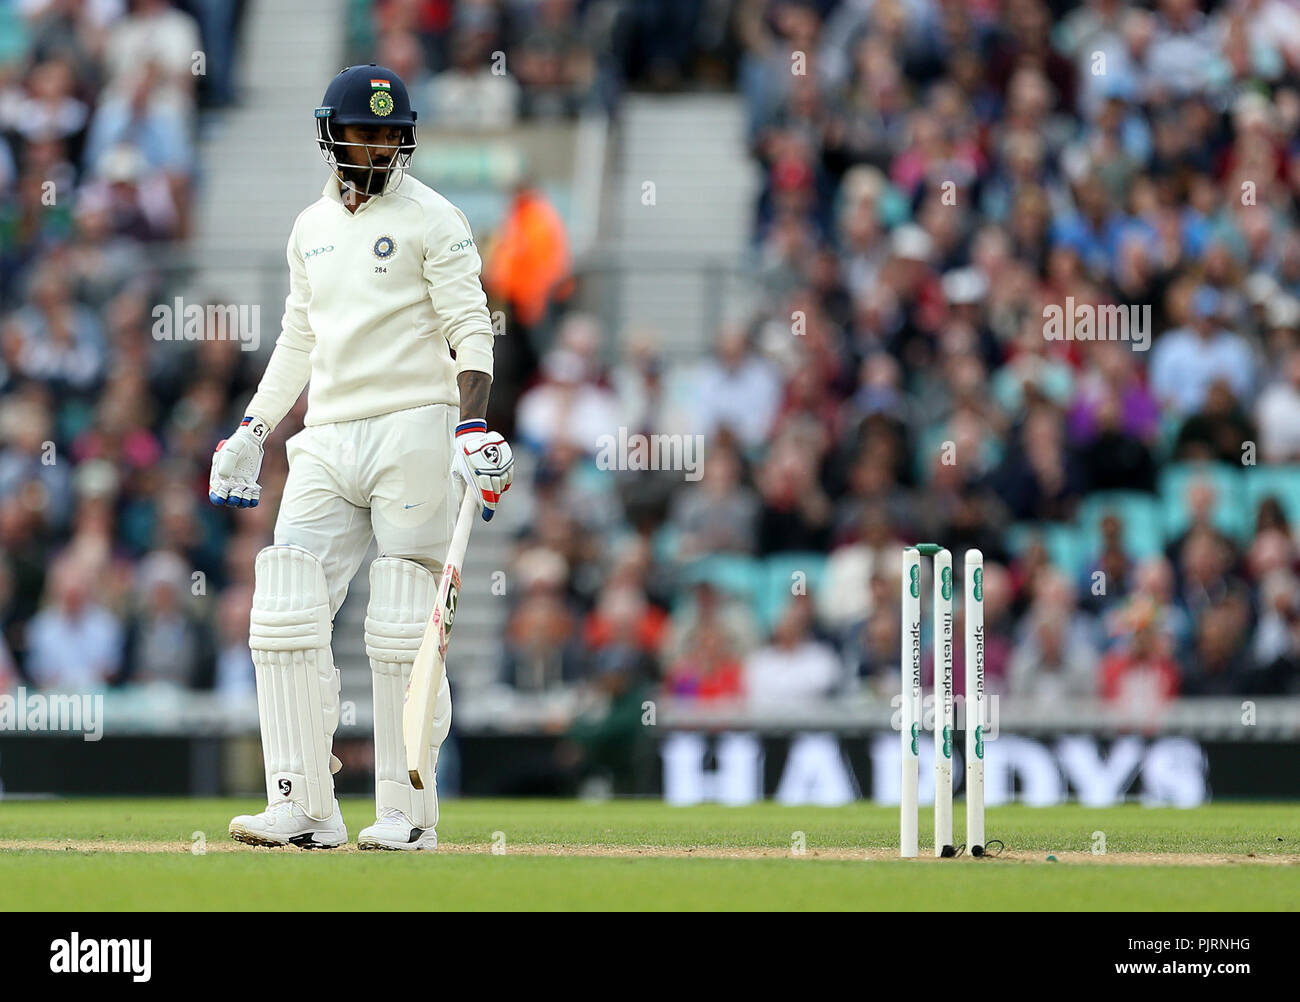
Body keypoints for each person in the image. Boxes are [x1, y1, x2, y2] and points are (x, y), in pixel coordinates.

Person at [208, 65, 514, 851]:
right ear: (332, 135)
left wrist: (471, 425)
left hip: (414, 423)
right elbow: (298, 340)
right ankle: (303, 804)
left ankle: (406, 813)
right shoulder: (309, 226)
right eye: (361, 131)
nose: (375, 145)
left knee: (404, 617)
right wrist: (253, 428)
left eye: (388, 132)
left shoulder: (434, 219)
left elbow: (470, 327)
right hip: (326, 433)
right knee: (282, 599)